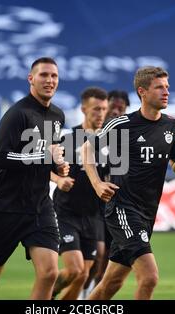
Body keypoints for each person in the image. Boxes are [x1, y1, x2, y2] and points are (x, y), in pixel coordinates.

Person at [81, 66, 175, 300]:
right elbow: (86, 149)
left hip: (147, 214)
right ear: (142, 91)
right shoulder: (122, 124)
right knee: (149, 277)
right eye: (159, 87)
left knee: (110, 284)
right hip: (122, 209)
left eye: (167, 87)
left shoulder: (172, 126)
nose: (166, 92)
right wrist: (98, 184)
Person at [0, 57, 68, 300]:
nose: (50, 80)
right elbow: (0, 157)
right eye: (44, 75)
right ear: (31, 79)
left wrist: (58, 165)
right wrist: (44, 156)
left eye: (54, 76)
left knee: (49, 273)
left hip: (40, 207)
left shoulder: (57, 116)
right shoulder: (17, 114)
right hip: (6, 207)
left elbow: (47, 156)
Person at [51, 87, 108, 300]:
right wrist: (59, 179)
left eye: (103, 109)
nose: (100, 114)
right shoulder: (69, 138)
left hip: (92, 215)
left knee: (83, 275)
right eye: (96, 109)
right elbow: (44, 167)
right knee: (75, 270)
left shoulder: (108, 143)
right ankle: (47, 293)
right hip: (66, 212)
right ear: (84, 109)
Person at [82, 89, 130, 298]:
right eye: (113, 107)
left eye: (122, 108)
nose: (116, 111)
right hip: (90, 208)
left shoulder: (128, 137)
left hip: (116, 208)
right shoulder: (91, 135)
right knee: (95, 257)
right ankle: (82, 293)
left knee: (107, 262)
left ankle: (92, 295)